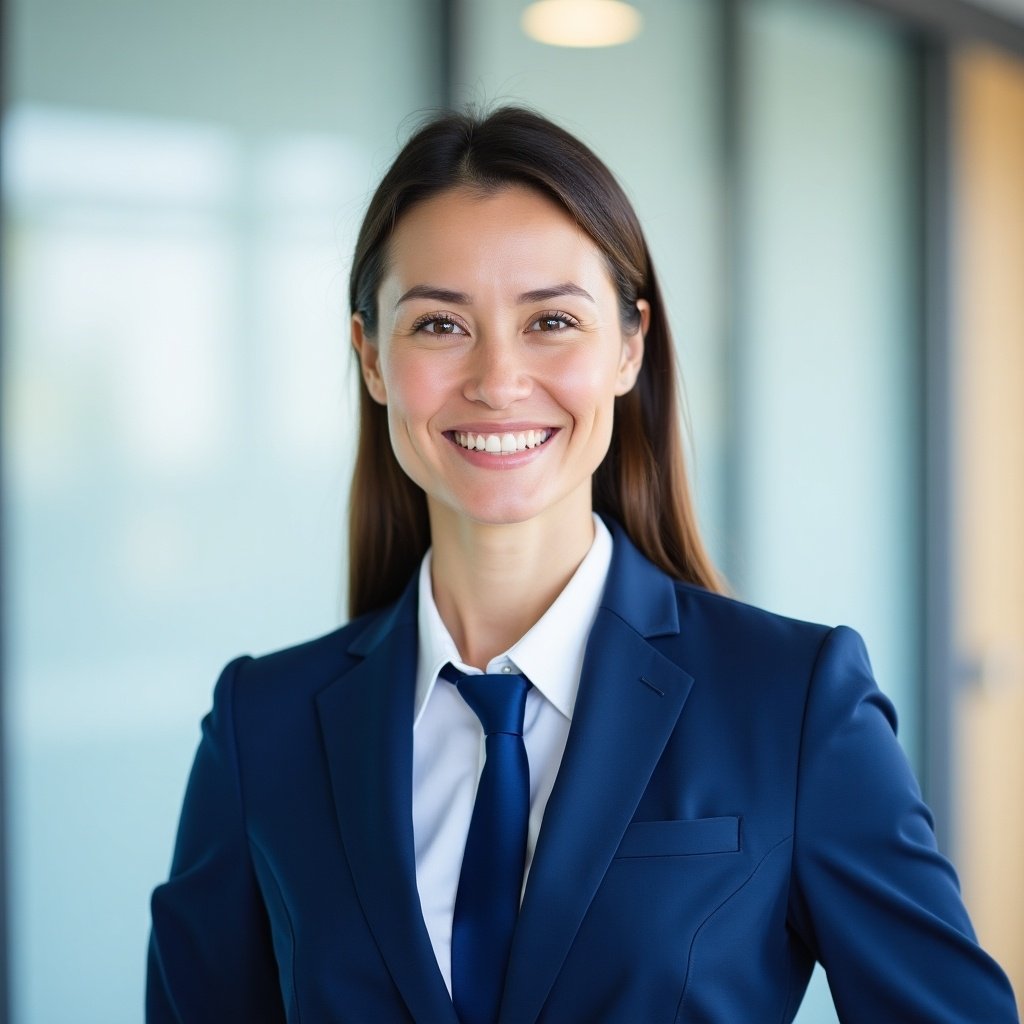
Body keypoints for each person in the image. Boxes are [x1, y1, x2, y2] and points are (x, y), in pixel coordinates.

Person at [147, 106, 1019, 1024]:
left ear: (629, 347)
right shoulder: (263, 729)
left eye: (552, 320)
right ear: (370, 356)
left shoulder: (794, 704)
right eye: (439, 326)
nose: (497, 379)